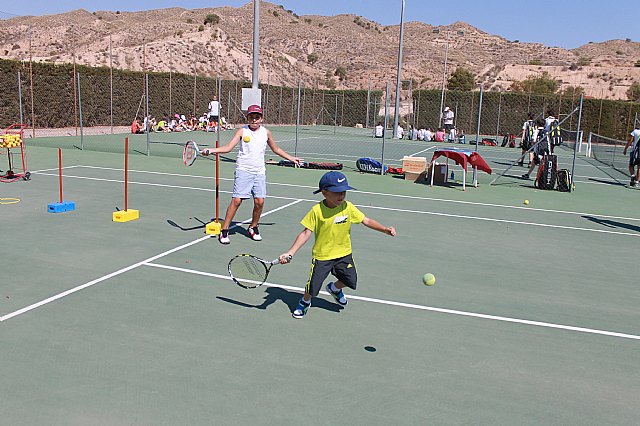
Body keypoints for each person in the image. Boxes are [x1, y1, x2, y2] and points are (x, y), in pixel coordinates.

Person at [278, 171, 396, 319]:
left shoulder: (348, 207)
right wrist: (291, 252)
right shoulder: (317, 211)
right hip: (323, 256)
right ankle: (305, 301)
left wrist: (384, 229)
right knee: (313, 287)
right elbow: (305, 233)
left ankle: (334, 288)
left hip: (344, 253)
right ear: (325, 192)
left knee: (350, 281)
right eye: (337, 192)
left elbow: (365, 220)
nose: (342, 196)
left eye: (344, 192)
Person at [202, 104, 303, 244]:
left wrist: (291, 158)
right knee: (237, 201)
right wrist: (212, 150)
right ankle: (224, 230)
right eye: (251, 117)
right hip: (243, 170)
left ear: (261, 118)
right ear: (247, 118)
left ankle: (253, 227)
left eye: (257, 117)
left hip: (259, 172)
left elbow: (276, 149)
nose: (254, 120)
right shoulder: (242, 131)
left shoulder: (266, 133)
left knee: (259, 202)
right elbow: (228, 148)